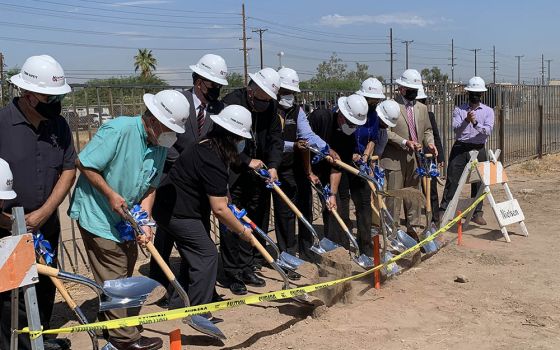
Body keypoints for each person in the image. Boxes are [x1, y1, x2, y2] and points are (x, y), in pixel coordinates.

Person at [68, 89, 189, 350]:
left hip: (127, 219)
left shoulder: (158, 145)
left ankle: (107, 325)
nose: (171, 134)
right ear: (153, 120)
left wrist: (145, 220)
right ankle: (125, 339)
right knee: (117, 277)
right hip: (98, 213)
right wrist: (111, 194)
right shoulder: (118, 130)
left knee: (125, 270)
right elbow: (85, 163)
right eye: (168, 127)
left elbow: (150, 187)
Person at [0, 55, 76, 350]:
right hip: (7, 229)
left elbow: (68, 169)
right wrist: (11, 223)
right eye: (49, 96)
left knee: (45, 286)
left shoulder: (59, 126)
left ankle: (39, 339)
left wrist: (44, 213)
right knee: (12, 295)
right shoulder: (2, 125)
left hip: (46, 225)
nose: (55, 102)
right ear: (28, 95)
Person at [153, 105, 254, 315]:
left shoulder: (207, 145)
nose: (240, 144)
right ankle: (199, 311)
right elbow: (218, 209)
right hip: (177, 212)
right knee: (207, 255)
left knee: (194, 255)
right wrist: (243, 232)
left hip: (172, 206)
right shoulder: (212, 157)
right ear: (231, 138)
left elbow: (216, 188)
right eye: (238, 139)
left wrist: (228, 202)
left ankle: (178, 302)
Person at [151, 54, 227, 300]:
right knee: (165, 237)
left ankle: (192, 291)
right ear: (200, 81)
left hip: (197, 187)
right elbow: (163, 137)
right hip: (169, 178)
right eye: (213, 84)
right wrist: (185, 163)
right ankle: (160, 286)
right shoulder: (177, 101)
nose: (216, 90)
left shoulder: (218, 109)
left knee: (197, 238)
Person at [219, 67, 283, 295]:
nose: (265, 104)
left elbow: (276, 138)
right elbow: (224, 141)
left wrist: (274, 165)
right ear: (251, 90)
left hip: (259, 173)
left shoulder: (271, 107)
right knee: (232, 223)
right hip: (233, 171)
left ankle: (247, 267)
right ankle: (232, 273)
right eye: (262, 98)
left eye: (269, 99)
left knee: (254, 220)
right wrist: (246, 160)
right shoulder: (231, 103)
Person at [273, 67, 334, 272]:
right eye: (285, 91)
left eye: (292, 92)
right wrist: (293, 145)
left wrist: (326, 148)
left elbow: (307, 135)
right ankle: (287, 254)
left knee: (305, 208)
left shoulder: (297, 111)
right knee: (285, 213)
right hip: (279, 169)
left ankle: (307, 249)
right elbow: (271, 143)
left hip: (299, 167)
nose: (289, 95)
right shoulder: (270, 111)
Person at [381, 69, 438, 238]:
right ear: (401, 88)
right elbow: (386, 131)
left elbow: (427, 130)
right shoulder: (391, 106)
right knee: (395, 195)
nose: (413, 92)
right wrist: (404, 142)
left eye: (415, 89)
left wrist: (430, 143)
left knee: (413, 193)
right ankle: (392, 230)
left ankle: (413, 228)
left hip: (415, 159)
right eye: (410, 89)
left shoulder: (422, 108)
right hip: (394, 158)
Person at [307, 94, 368, 248]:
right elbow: (303, 144)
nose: (352, 127)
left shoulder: (348, 136)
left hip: (332, 173)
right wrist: (309, 172)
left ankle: (340, 246)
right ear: (341, 114)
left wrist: (332, 194)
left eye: (355, 124)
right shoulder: (320, 118)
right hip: (308, 167)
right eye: (350, 123)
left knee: (334, 206)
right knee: (313, 207)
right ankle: (320, 245)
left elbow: (338, 166)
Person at [439, 77, 494, 225]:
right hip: (460, 147)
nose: (474, 96)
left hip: (478, 148)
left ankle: (476, 212)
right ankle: (445, 209)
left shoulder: (488, 111)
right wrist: (466, 120)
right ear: (467, 93)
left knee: (479, 182)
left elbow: (487, 131)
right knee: (452, 178)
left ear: (481, 95)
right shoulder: (459, 110)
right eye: (472, 93)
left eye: (477, 93)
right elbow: (456, 129)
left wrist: (475, 123)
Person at [416, 86, 445, 225]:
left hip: (427, 156)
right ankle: (414, 220)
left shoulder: (429, 115)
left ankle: (435, 218)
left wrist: (440, 157)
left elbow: (436, 136)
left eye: (422, 101)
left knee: (431, 188)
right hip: (412, 155)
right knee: (414, 188)